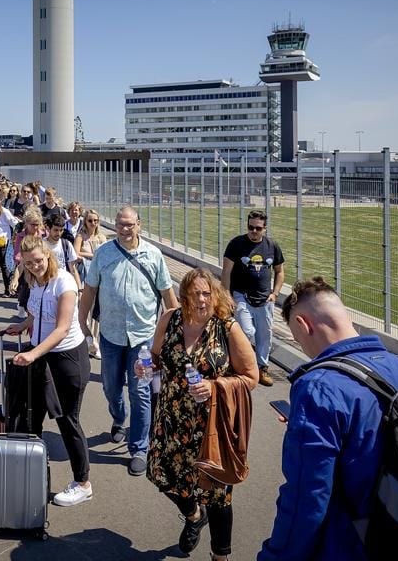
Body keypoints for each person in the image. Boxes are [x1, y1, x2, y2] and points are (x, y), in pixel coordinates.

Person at [258, 277, 398, 561]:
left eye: (299, 341)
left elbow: (307, 499)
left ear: (304, 326)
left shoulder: (318, 388)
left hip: (355, 544)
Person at [146, 268, 258, 561]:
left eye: (206, 293)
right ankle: (194, 515)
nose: (201, 299)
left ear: (215, 294)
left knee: (218, 497)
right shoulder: (170, 320)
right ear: (184, 296)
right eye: (195, 293)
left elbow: (251, 376)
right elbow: (155, 358)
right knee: (165, 477)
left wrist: (215, 386)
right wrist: (146, 367)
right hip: (171, 420)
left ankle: (220, 557)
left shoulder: (227, 327)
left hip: (212, 426)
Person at [77, 206, 179, 475]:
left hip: (143, 339)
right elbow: (89, 291)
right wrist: (82, 323)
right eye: (120, 224)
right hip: (110, 336)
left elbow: (169, 299)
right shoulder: (104, 254)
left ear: (139, 225)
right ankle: (119, 418)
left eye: (129, 224)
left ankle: (139, 448)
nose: (124, 229)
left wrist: (176, 332)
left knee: (141, 392)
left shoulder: (153, 256)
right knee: (110, 387)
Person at [4, 235, 93, 508]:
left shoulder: (64, 282)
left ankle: (83, 483)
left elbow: (62, 328)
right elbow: (38, 311)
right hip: (43, 355)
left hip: (67, 359)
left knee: (67, 420)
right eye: (29, 263)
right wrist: (24, 325)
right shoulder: (34, 280)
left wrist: (32, 352)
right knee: (32, 416)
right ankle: (32, 473)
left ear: (49, 255)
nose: (34, 266)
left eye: (39, 261)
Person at [220, 210, 285, 387]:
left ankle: (261, 367)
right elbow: (226, 272)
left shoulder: (272, 246)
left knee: (265, 336)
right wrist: (226, 296)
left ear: (265, 228)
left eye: (257, 228)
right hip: (241, 296)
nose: (253, 231)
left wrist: (275, 294)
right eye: (250, 227)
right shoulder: (236, 244)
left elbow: (279, 272)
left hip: (265, 299)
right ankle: (240, 365)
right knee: (247, 331)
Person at [75, 209, 106, 358]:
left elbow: (106, 255)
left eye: (95, 220)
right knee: (85, 310)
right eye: (90, 220)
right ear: (85, 222)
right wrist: (93, 255)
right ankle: (86, 340)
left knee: (97, 312)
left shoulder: (102, 237)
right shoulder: (81, 236)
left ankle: (95, 343)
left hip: (100, 278)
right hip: (85, 277)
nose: (93, 223)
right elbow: (76, 252)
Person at [44, 210, 80, 284]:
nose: (59, 233)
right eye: (56, 230)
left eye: (61, 230)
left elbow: (73, 269)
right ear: (48, 229)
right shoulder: (41, 245)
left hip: (63, 283)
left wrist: (79, 288)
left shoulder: (66, 244)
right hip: (47, 283)